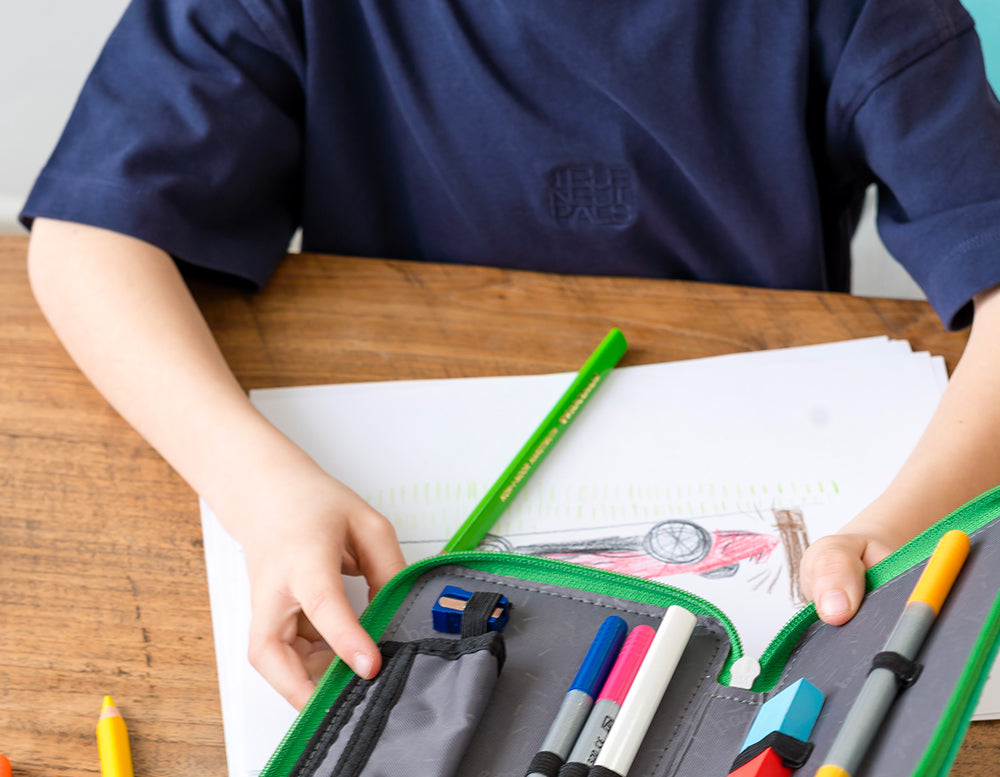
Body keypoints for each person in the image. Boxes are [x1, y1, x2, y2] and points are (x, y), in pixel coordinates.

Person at [21, 0, 1000, 709]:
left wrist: (898, 524)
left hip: (751, 528)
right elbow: (88, 243)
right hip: (401, 459)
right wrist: (256, 486)